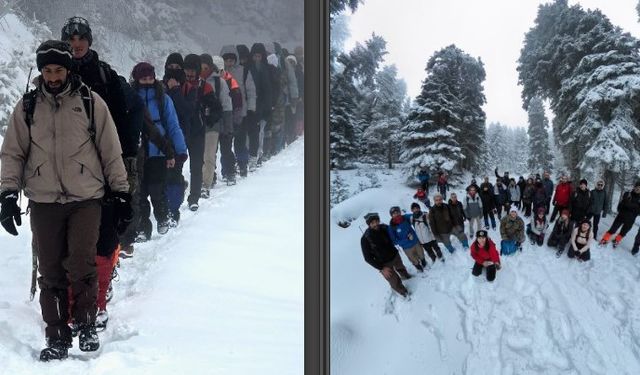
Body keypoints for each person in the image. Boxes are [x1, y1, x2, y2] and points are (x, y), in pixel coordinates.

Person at [0, 40, 131, 361]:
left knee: (82, 263)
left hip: (86, 198)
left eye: (59, 69)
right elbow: (13, 153)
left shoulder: (90, 102)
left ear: (68, 70)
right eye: (47, 70)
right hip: (44, 201)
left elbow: (110, 151)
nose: (53, 76)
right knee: (50, 271)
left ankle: (86, 325)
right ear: (41, 71)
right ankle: (56, 335)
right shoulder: (28, 107)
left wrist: (122, 192)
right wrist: (6, 194)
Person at [131, 62, 187, 240]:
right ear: (137, 79)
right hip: (138, 153)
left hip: (159, 151)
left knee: (157, 189)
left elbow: (173, 125)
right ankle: (142, 228)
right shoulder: (131, 97)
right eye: (143, 78)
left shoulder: (163, 99)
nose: (147, 81)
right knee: (139, 193)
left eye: (150, 78)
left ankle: (163, 218)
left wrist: (179, 150)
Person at [182, 54, 218, 211]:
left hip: (197, 131)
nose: (190, 74)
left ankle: (194, 197)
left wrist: (208, 119)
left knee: (196, 165)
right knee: (175, 165)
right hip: (181, 130)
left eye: (193, 71)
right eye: (187, 70)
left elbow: (217, 109)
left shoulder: (205, 87)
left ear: (198, 71)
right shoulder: (179, 85)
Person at [162, 53, 192, 224]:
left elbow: (188, 110)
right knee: (163, 175)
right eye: (170, 67)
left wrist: (175, 91)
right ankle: (165, 206)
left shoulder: (188, 88)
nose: (173, 70)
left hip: (180, 137)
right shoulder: (159, 85)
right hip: (160, 138)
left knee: (174, 174)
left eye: (177, 67)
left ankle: (173, 211)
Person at [360, 213, 411, 297]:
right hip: (384, 264)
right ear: (369, 224)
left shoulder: (384, 227)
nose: (375, 224)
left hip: (395, 255)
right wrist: (381, 268)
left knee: (401, 267)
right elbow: (367, 258)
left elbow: (394, 232)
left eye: (376, 221)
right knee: (393, 280)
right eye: (372, 223)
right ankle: (404, 293)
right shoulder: (365, 238)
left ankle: (405, 276)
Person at [199, 53, 226, 198]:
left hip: (212, 124)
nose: (202, 69)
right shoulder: (192, 81)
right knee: (198, 156)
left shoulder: (219, 82)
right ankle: (199, 180)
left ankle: (205, 184)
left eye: (205, 67)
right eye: (200, 66)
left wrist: (227, 125)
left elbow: (225, 105)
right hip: (197, 124)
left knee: (209, 155)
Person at [231, 44, 258, 177]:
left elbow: (251, 90)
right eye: (226, 60)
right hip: (225, 112)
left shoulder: (243, 71)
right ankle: (233, 165)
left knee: (240, 139)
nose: (228, 63)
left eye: (231, 60)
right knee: (227, 143)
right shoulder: (220, 72)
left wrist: (251, 108)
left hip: (241, 111)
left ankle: (242, 164)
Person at [248, 43, 273, 172]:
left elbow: (269, 89)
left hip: (263, 106)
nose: (257, 58)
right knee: (252, 132)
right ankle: (252, 155)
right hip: (251, 106)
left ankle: (258, 155)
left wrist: (269, 106)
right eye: (255, 56)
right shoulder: (248, 68)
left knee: (260, 132)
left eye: (259, 56)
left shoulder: (267, 69)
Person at [600, 181, 640, 247]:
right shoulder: (628, 194)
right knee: (612, 229)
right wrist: (635, 206)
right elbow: (624, 204)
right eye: (637, 187)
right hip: (621, 216)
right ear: (634, 187)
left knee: (623, 233)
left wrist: (629, 205)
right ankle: (604, 239)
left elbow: (638, 212)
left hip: (630, 220)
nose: (638, 189)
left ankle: (616, 241)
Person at [387, 206, 426, 272]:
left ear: (400, 212)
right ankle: (418, 267)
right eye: (394, 213)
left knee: (421, 254)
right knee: (413, 259)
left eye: (397, 212)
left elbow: (413, 215)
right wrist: (406, 239)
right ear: (391, 215)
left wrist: (421, 213)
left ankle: (424, 263)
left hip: (415, 241)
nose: (396, 214)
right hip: (406, 247)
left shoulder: (405, 218)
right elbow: (394, 241)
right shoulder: (391, 227)